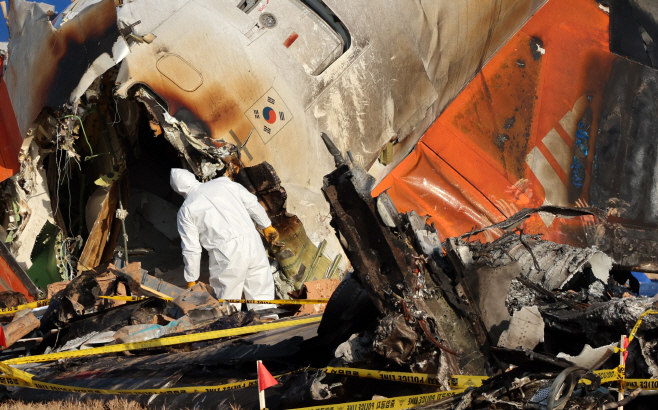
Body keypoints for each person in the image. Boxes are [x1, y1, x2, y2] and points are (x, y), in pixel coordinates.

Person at [169, 167, 279, 311]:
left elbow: (192, 249)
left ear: (178, 190)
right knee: (261, 290)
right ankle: (268, 319)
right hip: (252, 241)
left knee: (228, 300)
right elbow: (251, 203)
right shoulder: (223, 183)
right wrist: (266, 226)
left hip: (225, 253)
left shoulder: (186, 210)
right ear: (192, 177)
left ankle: (231, 324)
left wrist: (191, 279)